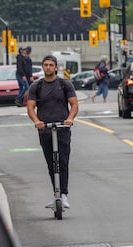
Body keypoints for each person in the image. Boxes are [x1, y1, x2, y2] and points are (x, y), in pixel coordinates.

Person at [27, 54, 79, 209]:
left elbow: (74, 105)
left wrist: (69, 119)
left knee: (62, 161)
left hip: (62, 128)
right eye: (45, 65)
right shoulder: (37, 86)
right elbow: (30, 107)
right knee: (51, 163)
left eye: (51, 65)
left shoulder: (64, 84)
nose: (48, 67)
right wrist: (37, 121)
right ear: (42, 67)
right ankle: (56, 194)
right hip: (45, 130)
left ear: (56, 67)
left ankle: (63, 194)